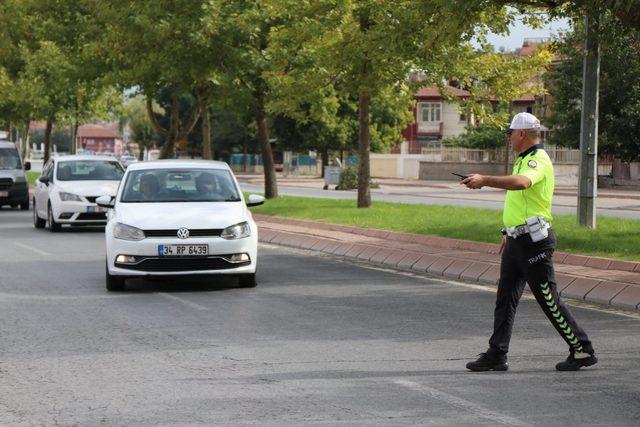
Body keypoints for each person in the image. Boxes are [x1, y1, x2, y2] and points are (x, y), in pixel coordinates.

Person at [461, 112, 597, 372]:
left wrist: (485, 180)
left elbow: (522, 184)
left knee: (547, 298)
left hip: (534, 243)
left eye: (510, 133)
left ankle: (582, 349)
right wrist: (507, 232)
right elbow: (522, 203)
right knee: (505, 299)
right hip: (516, 240)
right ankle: (497, 353)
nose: (509, 138)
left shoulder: (537, 160)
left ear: (522, 134)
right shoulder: (522, 160)